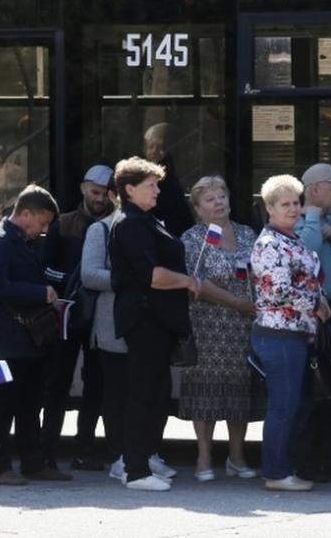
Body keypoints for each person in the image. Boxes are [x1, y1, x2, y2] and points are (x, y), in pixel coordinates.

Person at [110, 156, 199, 492]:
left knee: (157, 393)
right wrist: (188, 282)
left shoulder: (146, 219)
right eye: (151, 185)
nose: (158, 191)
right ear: (129, 189)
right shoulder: (131, 223)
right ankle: (134, 471)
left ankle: (143, 461)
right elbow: (152, 276)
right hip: (145, 320)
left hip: (159, 321)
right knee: (142, 395)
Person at [0, 185, 70, 485]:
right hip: (4, 341)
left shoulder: (25, 241)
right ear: (25, 213)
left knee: (31, 404)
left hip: (29, 340)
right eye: (42, 223)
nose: (43, 230)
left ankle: (33, 462)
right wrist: (39, 293)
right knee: (1, 403)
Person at [251, 173, 330, 492]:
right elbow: (276, 291)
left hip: (297, 335)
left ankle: (283, 466)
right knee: (283, 405)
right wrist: (315, 303)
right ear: (269, 208)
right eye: (285, 204)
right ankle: (275, 472)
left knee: (297, 404)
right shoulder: (270, 243)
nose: (293, 209)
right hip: (278, 337)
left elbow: (308, 280)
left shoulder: (292, 239)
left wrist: (319, 300)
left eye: (296, 202)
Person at [180, 175, 261, 482]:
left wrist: (249, 306)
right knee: (204, 390)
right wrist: (238, 303)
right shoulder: (191, 238)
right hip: (207, 325)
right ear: (199, 209)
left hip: (243, 326)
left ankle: (237, 457)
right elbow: (198, 283)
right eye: (210, 199)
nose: (218, 203)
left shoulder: (247, 233)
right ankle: (203, 458)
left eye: (222, 196)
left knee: (239, 389)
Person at [40, 164, 114, 472]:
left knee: (96, 383)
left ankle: (84, 447)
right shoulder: (64, 223)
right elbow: (45, 269)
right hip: (68, 313)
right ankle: (47, 450)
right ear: (84, 188)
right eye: (95, 192)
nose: (99, 199)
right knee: (58, 380)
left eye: (105, 194)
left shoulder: (115, 224)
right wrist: (74, 279)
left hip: (101, 313)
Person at [293, 162, 331, 481]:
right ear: (314, 189)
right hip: (316, 318)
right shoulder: (300, 221)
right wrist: (315, 218)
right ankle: (307, 460)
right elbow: (306, 251)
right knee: (315, 391)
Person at [79, 181, 130, 482]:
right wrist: (131, 279)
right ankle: (119, 455)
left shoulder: (152, 226)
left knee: (142, 392)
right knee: (115, 393)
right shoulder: (100, 230)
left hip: (143, 325)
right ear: (115, 197)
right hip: (110, 324)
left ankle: (141, 453)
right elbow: (90, 275)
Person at [143, 123, 194, 237]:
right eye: (150, 147)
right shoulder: (144, 175)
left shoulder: (169, 177)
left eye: (160, 147)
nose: (154, 152)